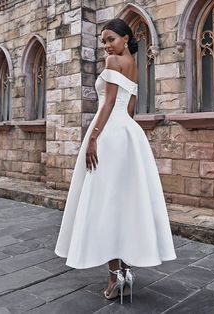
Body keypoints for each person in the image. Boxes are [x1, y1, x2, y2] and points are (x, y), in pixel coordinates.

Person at [54, 18, 176, 305]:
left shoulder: (112, 61)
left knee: (106, 203)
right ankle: (127, 271)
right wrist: (126, 139)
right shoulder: (134, 63)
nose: (106, 45)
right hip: (128, 135)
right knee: (125, 201)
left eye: (110, 39)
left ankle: (114, 276)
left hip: (108, 133)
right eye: (103, 41)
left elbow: (108, 103)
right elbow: (130, 109)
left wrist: (94, 137)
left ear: (125, 37)